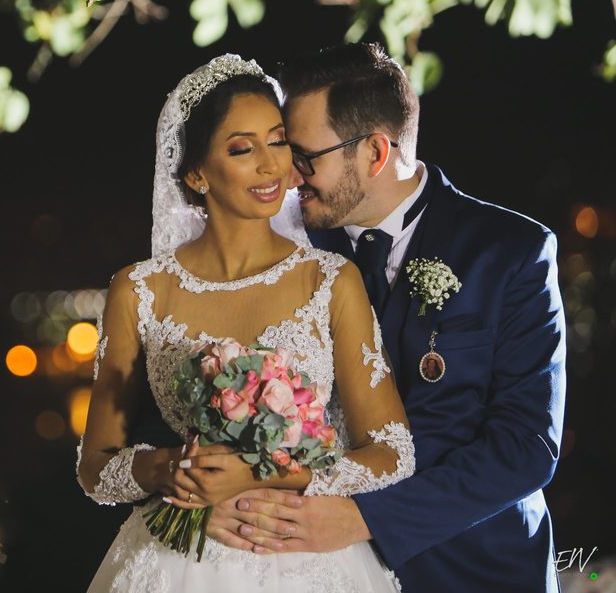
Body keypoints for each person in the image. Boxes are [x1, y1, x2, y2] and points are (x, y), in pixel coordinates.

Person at [206, 43, 567, 593]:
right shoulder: (285, 251)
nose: (291, 176)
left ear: (375, 151)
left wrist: (366, 518)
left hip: (475, 569)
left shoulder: (512, 251)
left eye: (306, 157)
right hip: (314, 573)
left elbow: (526, 448)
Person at [75, 54, 415, 591]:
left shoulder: (329, 281)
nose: (272, 166)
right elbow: (96, 467)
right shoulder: (139, 289)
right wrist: (169, 469)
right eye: (242, 149)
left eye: (278, 140)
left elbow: (392, 453)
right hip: (179, 558)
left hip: (309, 558)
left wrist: (268, 471)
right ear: (195, 173)